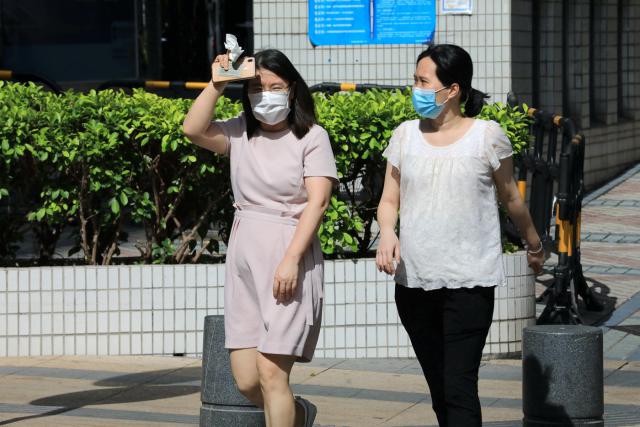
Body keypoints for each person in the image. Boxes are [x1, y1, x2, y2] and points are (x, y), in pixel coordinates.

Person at [375, 44, 545, 427]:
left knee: (459, 386)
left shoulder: (487, 136)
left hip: (470, 283)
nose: (415, 89)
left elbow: (511, 197)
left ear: (452, 90)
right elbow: (389, 200)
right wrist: (386, 232)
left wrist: (533, 243)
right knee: (440, 389)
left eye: (423, 81)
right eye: (415, 80)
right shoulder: (405, 136)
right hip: (414, 282)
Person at [183, 48, 338, 427]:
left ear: (293, 89)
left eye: (276, 86)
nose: (266, 95)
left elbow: (317, 202)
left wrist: (291, 259)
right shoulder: (239, 131)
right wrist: (217, 84)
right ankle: (299, 415)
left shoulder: (312, 137)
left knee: (271, 373)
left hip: (289, 253)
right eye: (256, 87)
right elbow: (193, 130)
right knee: (247, 380)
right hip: (245, 256)